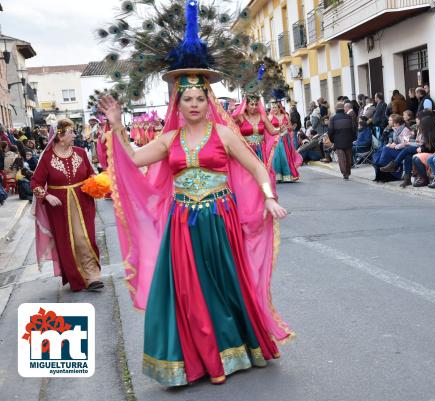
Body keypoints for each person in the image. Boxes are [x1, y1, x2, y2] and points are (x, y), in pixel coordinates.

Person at [97, 1, 293, 387]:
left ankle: (238, 348)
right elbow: (135, 159)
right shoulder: (167, 138)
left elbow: (255, 167)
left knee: (225, 284)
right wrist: (118, 127)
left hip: (222, 218)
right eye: (186, 99)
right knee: (190, 291)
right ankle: (202, 359)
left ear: (208, 101)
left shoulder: (223, 134)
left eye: (199, 98)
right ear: (178, 102)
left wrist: (269, 195)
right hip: (183, 221)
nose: (193, 104)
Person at [30, 119, 102, 291]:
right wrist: (46, 196)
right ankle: (77, 278)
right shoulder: (47, 158)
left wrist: (94, 181)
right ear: (60, 136)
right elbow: (35, 183)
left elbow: (91, 173)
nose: (75, 135)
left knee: (86, 238)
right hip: (60, 208)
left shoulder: (80, 152)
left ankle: (92, 276)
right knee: (68, 241)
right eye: (71, 132)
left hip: (83, 202)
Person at [269, 99, 302, 182]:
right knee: (277, 156)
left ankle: (287, 175)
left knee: (286, 156)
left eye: (275, 107)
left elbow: (290, 127)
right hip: (276, 139)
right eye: (273, 108)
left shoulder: (286, 116)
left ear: (280, 108)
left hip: (285, 138)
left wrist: (288, 128)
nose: (274, 109)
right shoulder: (270, 117)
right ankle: (277, 176)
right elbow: (268, 128)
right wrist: (276, 130)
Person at [328, 102, 356, 180]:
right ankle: (348, 172)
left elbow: (330, 131)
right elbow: (353, 129)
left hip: (338, 141)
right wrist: (353, 138)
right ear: (343, 108)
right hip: (348, 140)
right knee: (348, 157)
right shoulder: (349, 117)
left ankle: (344, 173)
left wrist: (332, 140)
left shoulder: (333, 118)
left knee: (341, 158)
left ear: (336, 109)